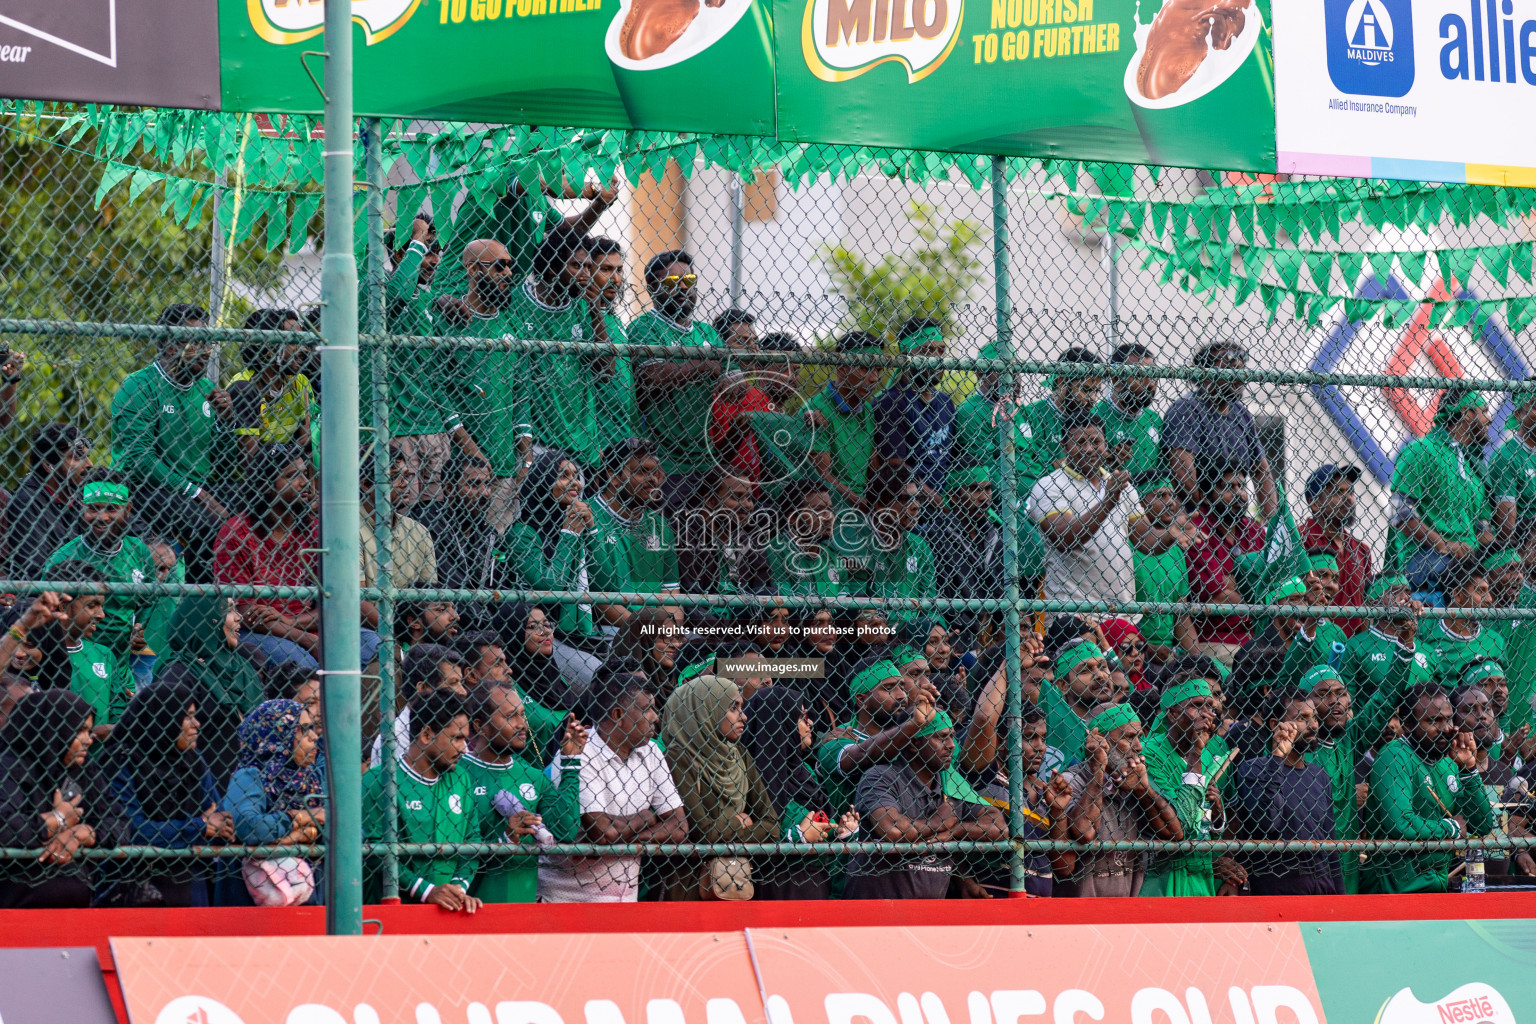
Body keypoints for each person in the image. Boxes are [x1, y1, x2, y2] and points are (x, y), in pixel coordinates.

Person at [109, 303, 234, 580]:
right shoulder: (139, 385)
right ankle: (200, 601)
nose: (204, 350)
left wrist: (227, 423)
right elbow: (140, 459)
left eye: (207, 342)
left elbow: (223, 460)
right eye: (193, 342)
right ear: (167, 343)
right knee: (205, 524)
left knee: (251, 506)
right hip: (146, 487)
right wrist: (196, 493)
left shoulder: (206, 390)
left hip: (197, 486)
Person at [539, 668, 686, 902]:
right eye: (646, 709)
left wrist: (625, 837)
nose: (655, 717)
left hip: (625, 901)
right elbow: (604, 833)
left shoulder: (652, 752)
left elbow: (679, 826)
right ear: (618, 714)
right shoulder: (581, 753)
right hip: (568, 900)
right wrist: (646, 818)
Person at [844, 709, 1007, 899]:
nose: (951, 745)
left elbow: (998, 826)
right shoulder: (881, 777)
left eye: (952, 737)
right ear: (914, 743)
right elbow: (893, 829)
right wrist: (938, 822)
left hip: (930, 917)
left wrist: (956, 831)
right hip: (878, 913)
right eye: (941, 738)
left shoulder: (949, 783)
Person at [103, 682, 229, 906]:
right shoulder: (123, 761)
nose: (197, 724)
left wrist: (180, 830)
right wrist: (198, 827)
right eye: (188, 716)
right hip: (137, 885)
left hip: (192, 880)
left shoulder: (193, 760)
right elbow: (133, 831)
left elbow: (220, 822)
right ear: (164, 719)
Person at [0, 690, 128, 908]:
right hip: (17, 904)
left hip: (76, 903)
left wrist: (80, 833)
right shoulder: (10, 767)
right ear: (53, 730)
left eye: (89, 730)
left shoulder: (84, 770)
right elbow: (5, 827)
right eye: (80, 731)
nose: (89, 739)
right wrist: (57, 820)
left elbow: (120, 823)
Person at [1362, 683, 1493, 893]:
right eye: (1433, 721)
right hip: (1394, 888)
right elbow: (1401, 823)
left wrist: (1469, 769)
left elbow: (1482, 825)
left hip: (1436, 884)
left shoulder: (1448, 761)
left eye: (1449, 719)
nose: (1445, 728)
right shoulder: (1394, 755)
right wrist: (1452, 828)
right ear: (1408, 724)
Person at [461, 682, 585, 903]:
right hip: (468, 909)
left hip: (523, 914)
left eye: (522, 715)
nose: (523, 724)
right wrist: (506, 838)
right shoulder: (457, 774)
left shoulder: (533, 776)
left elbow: (565, 829)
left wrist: (571, 762)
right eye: (511, 716)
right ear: (480, 725)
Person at [659, 676, 781, 900]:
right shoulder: (678, 758)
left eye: (742, 707)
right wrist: (740, 821)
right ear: (704, 710)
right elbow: (699, 832)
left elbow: (772, 826)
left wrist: (724, 833)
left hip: (735, 880)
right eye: (733, 708)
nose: (743, 716)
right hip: (689, 884)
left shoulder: (740, 755)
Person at [362, 690, 483, 911]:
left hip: (449, 910)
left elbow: (473, 841)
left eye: (465, 738)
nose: (464, 749)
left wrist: (457, 889)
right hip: (393, 914)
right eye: (457, 738)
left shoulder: (462, 778)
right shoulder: (378, 780)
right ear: (426, 735)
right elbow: (375, 852)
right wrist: (427, 891)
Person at [214, 444, 328, 670]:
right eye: (292, 475)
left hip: (306, 625)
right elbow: (244, 613)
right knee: (306, 669)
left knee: (376, 652)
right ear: (267, 486)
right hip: (257, 632)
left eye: (305, 474)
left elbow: (334, 604)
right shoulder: (237, 533)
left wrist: (294, 623)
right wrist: (304, 638)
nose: (305, 483)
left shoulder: (313, 529)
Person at [741, 686, 860, 900]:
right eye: (802, 716)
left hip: (817, 880)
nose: (811, 723)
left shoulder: (803, 771)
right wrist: (798, 837)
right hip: (774, 884)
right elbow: (754, 839)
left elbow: (818, 827)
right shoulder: (750, 776)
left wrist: (838, 829)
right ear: (779, 722)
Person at [449, 238, 535, 534]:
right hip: (460, 473)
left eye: (510, 266)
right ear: (472, 269)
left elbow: (521, 395)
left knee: (495, 557)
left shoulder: (513, 326)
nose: (509, 274)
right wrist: (470, 448)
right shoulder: (450, 322)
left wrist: (525, 457)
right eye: (500, 267)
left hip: (504, 468)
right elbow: (440, 391)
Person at [41, 468, 157, 687]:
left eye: (111, 508)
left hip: (122, 672)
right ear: (81, 508)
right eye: (93, 509)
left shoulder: (139, 551)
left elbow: (150, 599)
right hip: (74, 671)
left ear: (128, 509)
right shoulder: (63, 559)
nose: (102, 517)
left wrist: (140, 626)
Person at [514, 227, 614, 470]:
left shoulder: (584, 308)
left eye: (589, 267)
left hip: (583, 444)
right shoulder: (518, 301)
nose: (586, 274)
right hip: (538, 442)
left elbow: (605, 373)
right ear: (550, 269)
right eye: (576, 266)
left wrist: (595, 312)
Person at [632, 250, 725, 511]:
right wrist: (705, 365)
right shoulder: (645, 327)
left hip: (707, 458)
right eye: (673, 282)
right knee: (670, 535)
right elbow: (651, 376)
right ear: (652, 289)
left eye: (689, 280)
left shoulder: (708, 332)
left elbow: (734, 381)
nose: (684, 288)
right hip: (664, 460)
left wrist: (732, 378)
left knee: (704, 537)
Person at [1058, 704, 1183, 897]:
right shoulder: (1072, 781)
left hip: (1128, 910)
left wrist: (1143, 789)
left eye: (1140, 736)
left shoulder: (1134, 781)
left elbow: (1174, 833)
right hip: (1082, 911)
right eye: (1130, 737)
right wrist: (1098, 770)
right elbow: (1083, 833)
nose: (1139, 746)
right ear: (1101, 739)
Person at [1030, 411, 1145, 614]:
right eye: (1080, 442)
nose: (1089, 449)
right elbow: (1065, 538)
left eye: (1095, 441)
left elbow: (1145, 540)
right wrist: (1108, 501)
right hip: (1073, 614)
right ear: (1064, 446)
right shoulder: (1049, 485)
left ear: (1106, 445)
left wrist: (1172, 532)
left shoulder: (1121, 485)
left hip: (1123, 612)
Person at [1229, 688, 1341, 895]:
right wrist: (1277, 757)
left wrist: (1339, 895)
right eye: (1302, 718)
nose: (1314, 725)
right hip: (1278, 891)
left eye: (1315, 717)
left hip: (1321, 889)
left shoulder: (1320, 776)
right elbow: (1267, 822)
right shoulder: (1253, 769)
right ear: (1275, 725)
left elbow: (1330, 843)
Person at [924, 466, 1044, 652]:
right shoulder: (935, 536)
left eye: (987, 489)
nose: (984, 497)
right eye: (974, 489)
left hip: (996, 634)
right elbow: (942, 600)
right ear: (954, 496)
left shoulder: (999, 534)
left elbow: (1006, 591)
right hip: (955, 637)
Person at [1389, 388, 1492, 602]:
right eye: (1484, 411)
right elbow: (1399, 513)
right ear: (1466, 412)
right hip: (1426, 557)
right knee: (1469, 582)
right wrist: (1444, 544)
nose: (1490, 419)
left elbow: (1480, 526)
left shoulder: (1473, 465)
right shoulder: (1422, 450)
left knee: (1503, 572)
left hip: (1466, 560)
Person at [156, 595, 267, 790]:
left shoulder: (243, 668)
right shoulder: (178, 673)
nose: (239, 617)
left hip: (256, 785)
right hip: (204, 790)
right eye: (230, 610)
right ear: (207, 619)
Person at [223, 699, 326, 905]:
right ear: (278, 734)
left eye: (313, 729)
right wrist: (303, 817)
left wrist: (289, 838)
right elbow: (251, 828)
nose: (314, 737)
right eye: (304, 730)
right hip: (253, 907)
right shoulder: (249, 776)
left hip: (314, 899)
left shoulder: (311, 777)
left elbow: (351, 830)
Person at [1141, 677, 1237, 896]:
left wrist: (1217, 811)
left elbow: (1205, 824)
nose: (1207, 713)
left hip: (1202, 873)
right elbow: (1181, 822)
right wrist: (1196, 750)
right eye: (1196, 705)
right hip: (1164, 874)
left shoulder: (1213, 753)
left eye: (1210, 706)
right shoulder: (1149, 754)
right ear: (1172, 713)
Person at [1163, 340, 1278, 519]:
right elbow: (1183, 472)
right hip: (1196, 519)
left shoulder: (1242, 414)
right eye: (1229, 364)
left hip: (1234, 518)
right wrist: (1213, 517)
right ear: (1205, 373)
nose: (1239, 372)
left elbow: (1261, 471)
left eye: (1242, 366)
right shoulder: (1186, 409)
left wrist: (1272, 524)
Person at [0, 565, 124, 729]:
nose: (101, 614)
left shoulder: (104, 654)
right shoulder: (23, 671)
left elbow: (120, 708)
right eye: (92, 605)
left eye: (101, 605)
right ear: (64, 605)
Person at [814, 659, 942, 815]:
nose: (902, 695)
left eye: (901, 686)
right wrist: (914, 724)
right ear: (862, 700)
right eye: (889, 688)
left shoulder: (913, 733)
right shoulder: (836, 742)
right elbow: (863, 754)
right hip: (858, 835)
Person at [499, 449, 600, 647]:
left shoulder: (573, 524)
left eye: (576, 476)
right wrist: (569, 535)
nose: (575, 483)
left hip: (581, 632)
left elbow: (606, 580)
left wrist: (592, 530)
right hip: (540, 633)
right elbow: (549, 586)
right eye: (563, 476)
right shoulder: (521, 533)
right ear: (542, 483)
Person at [1185, 459, 1267, 666]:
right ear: (1205, 496)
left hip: (1260, 634)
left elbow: (1273, 584)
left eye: (1241, 486)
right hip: (1218, 640)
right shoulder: (1196, 529)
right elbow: (1217, 594)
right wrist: (1254, 591)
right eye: (1227, 487)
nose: (1239, 493)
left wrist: (1232, 583)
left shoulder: (1254, 530)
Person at [870, 318, 956, 506]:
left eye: (941, 350)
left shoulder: (945, 403)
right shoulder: (891, 402)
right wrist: (938, 501)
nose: (936, 359)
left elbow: (954, 458)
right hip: (910, 507)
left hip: (947, 504)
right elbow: (896, 468)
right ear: (905, 356)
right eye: (926, 350)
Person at [833, 465, 934, 621]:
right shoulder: (854, 544)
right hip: (875, 637)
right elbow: (858, 607)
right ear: (880, 504)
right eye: (906, 499)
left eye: (919, 498)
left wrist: (934, 627)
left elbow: (930, 604)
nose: (916, 506)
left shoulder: (920, 546)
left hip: (915, 637)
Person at [803, 331, 885, 507]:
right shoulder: (816, 410)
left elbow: (874, 468)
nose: (874, 378)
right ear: (841, 366)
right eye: (865, 368)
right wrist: (867, 506)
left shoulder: (868, 410)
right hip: (830, 505)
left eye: (878, 370)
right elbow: (822, 477)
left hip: (865, 504)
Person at [1013, 346, 1105, 497]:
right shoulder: (1032, 415)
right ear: (1061, 382)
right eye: (1086, 390)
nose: (1093, 398)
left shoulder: (1093, 419)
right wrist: (1075, 462)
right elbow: (1031, 470)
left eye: (1096, 391)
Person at [5, 423, 92, 578]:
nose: (89, 464)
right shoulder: (28, 501)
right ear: (49, 465)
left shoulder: (81, 494)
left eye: (87, 456)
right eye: (77, 457)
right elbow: (35, 571)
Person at [227, 309, 313, 459]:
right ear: (269, 347)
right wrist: (291, 450)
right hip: (245, 478)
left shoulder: (300, 383)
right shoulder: (243, 386)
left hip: (287, 469)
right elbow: (250, 460)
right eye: (293, 340)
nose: (304, 349)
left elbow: (309, 441)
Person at [1132, 478, 1200, 663]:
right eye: (1160, 495)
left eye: (1172, 495)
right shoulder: (1126, 545)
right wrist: (1148, 649)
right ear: (1139, 503)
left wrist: (1198, 660)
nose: (1170, 501)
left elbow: (1181, 616)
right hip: (1132, 650)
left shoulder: (1176, 547)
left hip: (1171, 652)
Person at [1339, 575, 1436, 703]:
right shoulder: (1355, 646)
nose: (1405, 598)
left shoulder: (1427, 650)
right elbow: (1347, 703)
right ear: (1373, 602)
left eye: (1408, 592)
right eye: (1395, 592)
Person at [676, 470, 771, 600]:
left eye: (749, 498)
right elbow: (692, 603)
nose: (747, 505)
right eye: (737, 497)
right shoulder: (688, 539)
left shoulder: (748, 541)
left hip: (745, 615)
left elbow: (765, 588)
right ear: (710, 501)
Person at [1300, 464, 1371, 635]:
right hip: (1315, 640)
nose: (1349, 499)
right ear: (1315, 503)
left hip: (1355, 647)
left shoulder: (1362, 550)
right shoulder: (1301, 540)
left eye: (1351, 492)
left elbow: (1368, 603)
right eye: (1338, 492)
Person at [370, 643, 468, 767]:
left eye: (461, 682)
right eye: (453, 683)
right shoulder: (394, 740)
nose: (463, 692)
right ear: (423, 689)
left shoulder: (453, 726)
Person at [586, 237, 638, 451]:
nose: (616, 279)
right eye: (606, 269)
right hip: (595, 439)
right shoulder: (581, 316)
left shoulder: (614, 319)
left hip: (622, 436)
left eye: (619, 270)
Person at [1420, 556, 1506, 687]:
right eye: (1481, 591)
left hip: (1479, 706)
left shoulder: (1494, 641)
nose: (1489, 599)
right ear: (1458, 594)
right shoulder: (1425, 631)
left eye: (1489, 591)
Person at [1478, 549, 1536, 736]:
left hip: (1524, 712)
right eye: (1508, 569)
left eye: (1520, 570)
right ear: (1488, 575)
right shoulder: (1474, 617)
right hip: (1484, 717)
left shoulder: (1528, 602)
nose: (1518, 576)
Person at [1095, 342, 1164, 485]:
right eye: (1140, 375)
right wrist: (1107, 465)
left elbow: (1164, 473)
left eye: (1153, 375)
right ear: (1116, 380)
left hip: (1151, 504)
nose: (1150, 384)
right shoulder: (1094, 417)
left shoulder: (1155, 419)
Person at [766, 479, 846, 599]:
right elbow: (785, 609)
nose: (829, 517)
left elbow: (848, 606)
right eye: (818, 510)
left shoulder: (833, 557)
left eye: (830, 509)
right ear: (793, 518)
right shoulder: (775, 552)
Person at [1040, 640, 1115, 759]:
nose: (1100, 675)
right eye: (1085, 670)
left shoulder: (1124, 724)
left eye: (1103, 667)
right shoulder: (1053, 734)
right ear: (1064, 685)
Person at [1490, 389, 1536, 550]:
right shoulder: (1507, 457)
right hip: (1527, 547)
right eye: (1535, 406)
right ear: (1519, 415)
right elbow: (1506, 530)